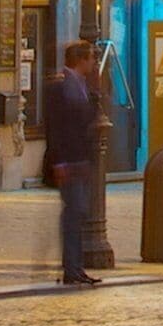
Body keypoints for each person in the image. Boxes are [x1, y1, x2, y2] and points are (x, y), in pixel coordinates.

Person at [42, 38, 106, 287]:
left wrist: (96, 93)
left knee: (78, 213)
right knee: (74, 213)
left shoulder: (81, 85)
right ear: (81, 60)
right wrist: (59, 162)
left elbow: (86, 119)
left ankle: (75, 267)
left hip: (79, 160)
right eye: (91, 58)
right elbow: (56, 127)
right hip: (68, 162)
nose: (93, 63)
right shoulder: (61, 86)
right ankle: (71, 268)